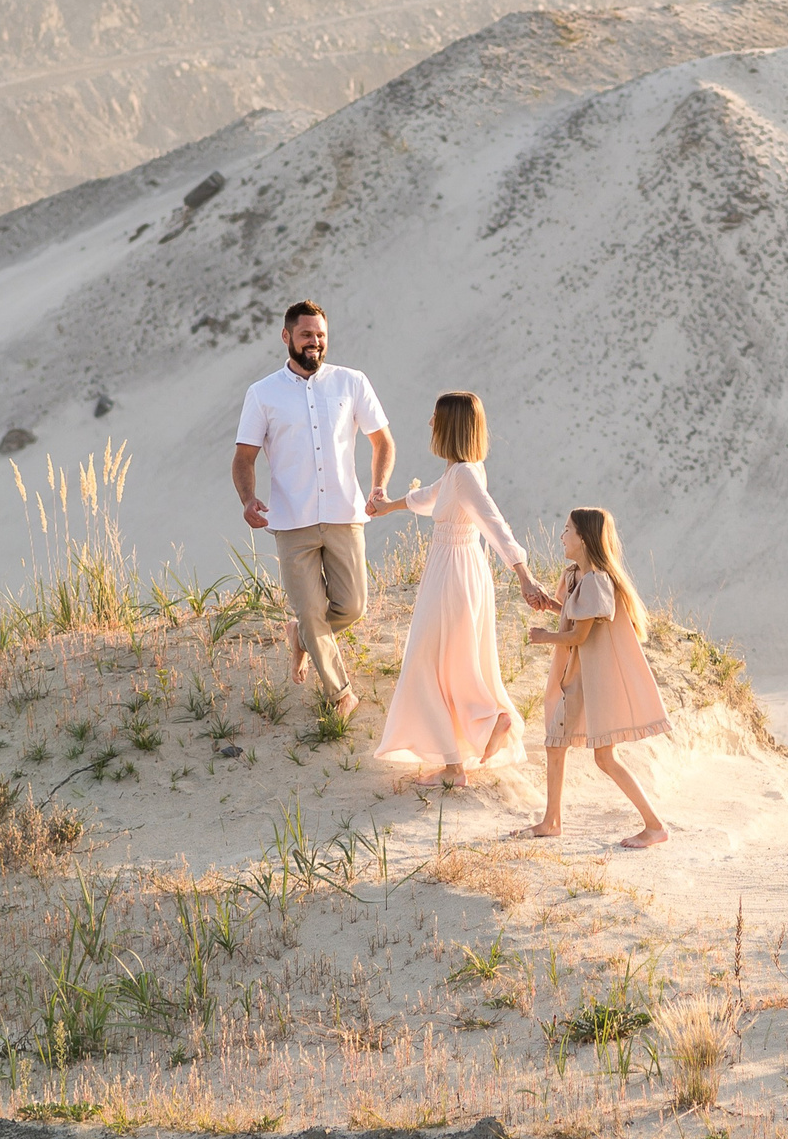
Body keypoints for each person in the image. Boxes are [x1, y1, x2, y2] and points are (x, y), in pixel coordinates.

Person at [370, 392, 558, 786]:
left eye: (435, 417)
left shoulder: (466, 475)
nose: (429, 424)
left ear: (450, 425)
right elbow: (428, 498)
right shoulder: (462, 471)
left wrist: (525, 576)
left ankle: (469, 749)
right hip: (459, 570)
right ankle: (475, 740)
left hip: (453, 574)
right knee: (450, 661)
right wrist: (388, 507)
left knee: (427, 662)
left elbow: (494, 523)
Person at [231, 301, 396, 723]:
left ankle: (299, 636)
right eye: (306, 335)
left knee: (353, 606)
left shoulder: (352, 382)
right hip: (291, 522)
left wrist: (379, 487)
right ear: (286, 337)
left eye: (320, 334)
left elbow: (383, 442)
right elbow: (244, 457)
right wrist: (248, 500)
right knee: (310, 610)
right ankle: (341, 694)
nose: (315, 342)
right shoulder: (262, 393)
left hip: (345, 513)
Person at [524, 507, 672, 846]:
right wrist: (551, 605)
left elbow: (578, 636)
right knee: (558, 745)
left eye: (567, 530)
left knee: (601, 756)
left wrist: (544, 636)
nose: (561, 537)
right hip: (580, 678)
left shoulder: (596, 582)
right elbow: (578, 616)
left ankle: (654, 826)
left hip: (592, 682)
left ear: (583, 538)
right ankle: (552, 820)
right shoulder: (577, 577)